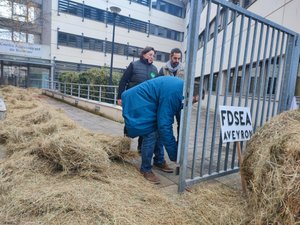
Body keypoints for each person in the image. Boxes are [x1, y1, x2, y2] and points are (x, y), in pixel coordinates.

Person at [121, 76, 199, 184]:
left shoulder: (182, 91)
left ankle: (158, 160)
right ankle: (145, 169)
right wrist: (174, 154)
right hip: (138, 101)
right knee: (151, 133)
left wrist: (180, 144)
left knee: (158, 129)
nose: (193, 103)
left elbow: (181, 120)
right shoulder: (175, 93)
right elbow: (164, 125)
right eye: (194, 100)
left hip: (148, 102)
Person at [117, 47, 158, 152]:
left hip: (147, 102)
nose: (152, 57)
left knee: (144, 124)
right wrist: (119, 97)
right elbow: (123, 81)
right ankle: (125, 146)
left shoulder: (154, 69)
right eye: (150, 54)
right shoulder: (134, 65)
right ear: (143, 54)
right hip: (133, 101)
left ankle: (141, 148)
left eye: (153, 55)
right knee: (130, 122)